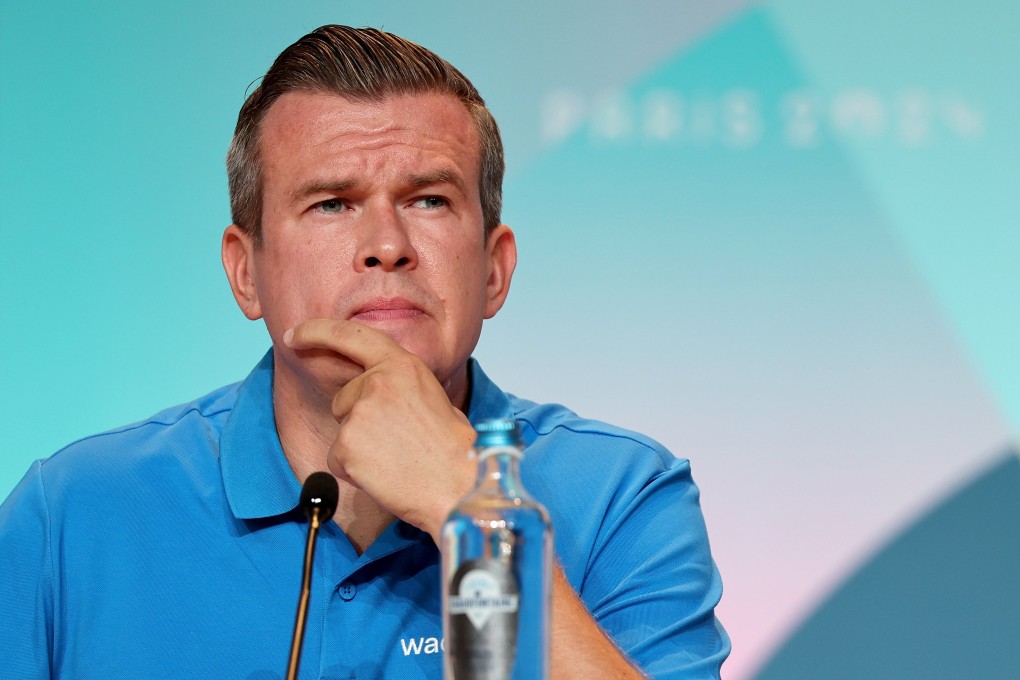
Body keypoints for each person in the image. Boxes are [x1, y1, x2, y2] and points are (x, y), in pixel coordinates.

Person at [0, 25, 729, 679]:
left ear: (494, 269)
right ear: (245, 271)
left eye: (429, 201)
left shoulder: (618, 497)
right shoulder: (73, 517)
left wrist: (466, 509)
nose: (387, 246)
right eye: (332, 204)